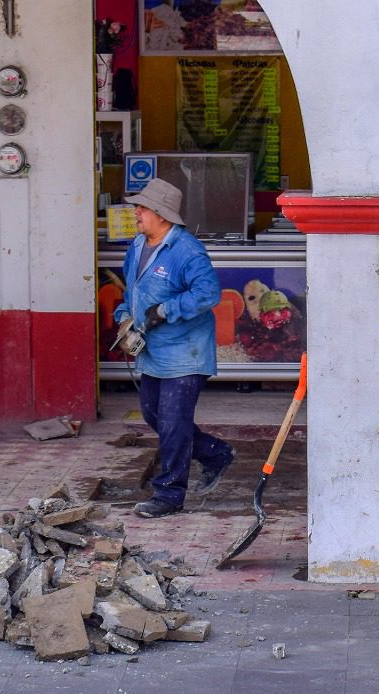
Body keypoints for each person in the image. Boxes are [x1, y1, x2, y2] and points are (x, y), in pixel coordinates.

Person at [113, 178, 235, 518]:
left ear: (162, 214)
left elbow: (208, 294)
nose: (135, 211)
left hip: (186, 352)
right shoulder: (137, 246)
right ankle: (215, 454)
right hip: (154, 352)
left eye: (142, 207)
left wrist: (166, 310)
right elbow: (131, 293)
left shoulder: (187, 250)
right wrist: (124, 319)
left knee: (172, 421)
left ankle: (169, 494)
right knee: (156, 416)